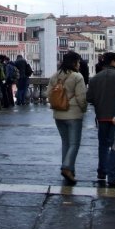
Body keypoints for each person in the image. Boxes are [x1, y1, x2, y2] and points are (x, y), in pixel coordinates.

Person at [86, 52, 115, 185]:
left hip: (101, 117)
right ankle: (113, 176)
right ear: (113, 62)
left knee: (103, 145)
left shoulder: (95, 78)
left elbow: (89, 98)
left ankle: (102, 171)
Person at [47, 50, 87, 184]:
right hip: (74, 113)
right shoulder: (77, 76)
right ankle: (67, 167)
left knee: (65, 142)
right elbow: (81, 97)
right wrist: (83, 109)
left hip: (58, 114)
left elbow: (48, 94)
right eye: (78, 62)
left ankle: (70, 170)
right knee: (74, 143)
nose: (79, 65)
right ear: (74, 63)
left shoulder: (55, 76)